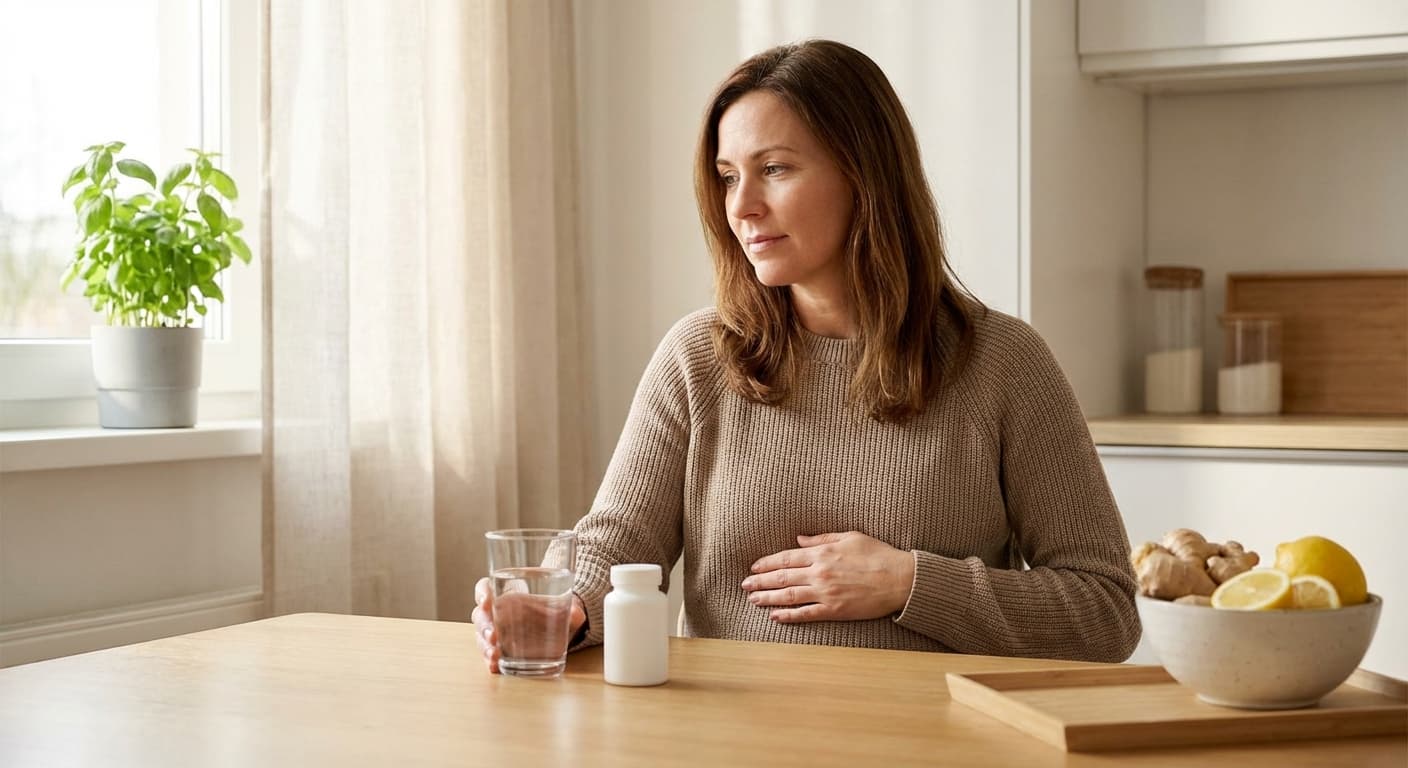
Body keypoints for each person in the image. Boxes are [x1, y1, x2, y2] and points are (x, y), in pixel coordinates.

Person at [474, 39, 1140, 671]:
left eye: (775, 169)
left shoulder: (1003, 362)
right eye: (729, 177)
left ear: (865, 174)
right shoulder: (697, 357)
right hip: (732, 741)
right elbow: (618, 544)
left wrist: (910, 582)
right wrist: (565, 609)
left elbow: (1105, 613)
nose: (743, 206)